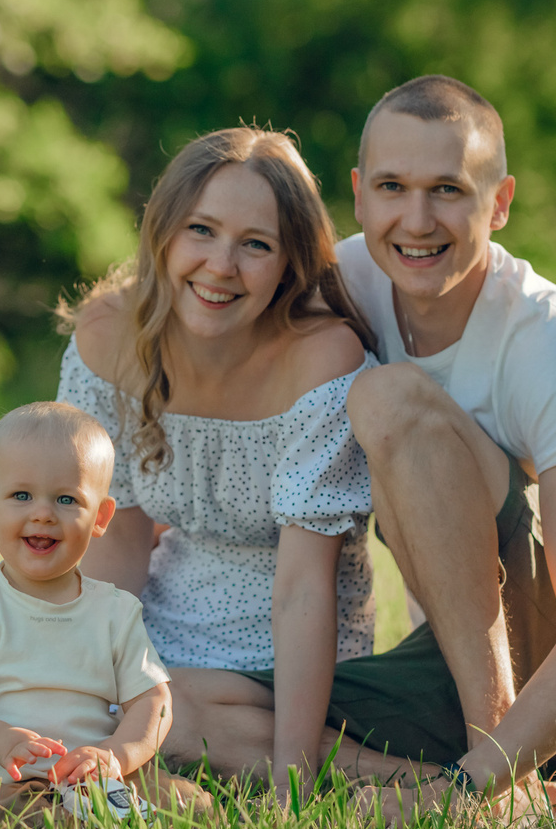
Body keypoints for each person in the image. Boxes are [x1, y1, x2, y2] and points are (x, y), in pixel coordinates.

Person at [317, 74, 556, 814]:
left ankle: (484, 788)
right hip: (463, 664)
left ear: (500, 202)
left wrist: (473, 782)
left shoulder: (548, 337)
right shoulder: (344, 283)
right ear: (360, 195)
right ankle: (508, 794)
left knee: (390, 399)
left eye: (449, 190)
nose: (417, 219)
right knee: (200, 706)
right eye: (392, 187)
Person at [63, 128, 431, 790]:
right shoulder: (109, 337)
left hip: (293, 646)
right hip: (166, 629)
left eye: (255, 244)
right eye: (201, 230)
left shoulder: (321, 356)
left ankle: (436, 784)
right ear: (163, 232)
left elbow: (303, 587)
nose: (221, 265)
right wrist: (93, 669)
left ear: (290, 261)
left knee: (166, 718)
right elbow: (116, 542)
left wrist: (293, 773)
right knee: (68, 699)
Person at [0, 400, 208, 823]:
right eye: (21, 495)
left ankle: (95, 818)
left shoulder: (115, 610)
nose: (43, 513)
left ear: (101, 516)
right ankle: (81, 827)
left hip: (96, 775)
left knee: (188, 806)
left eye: (66, 499)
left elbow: (153, 701)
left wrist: (117, 755)